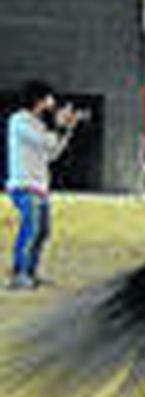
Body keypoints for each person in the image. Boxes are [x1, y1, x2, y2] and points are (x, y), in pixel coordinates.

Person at [6, 80, 79, 290]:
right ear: (38, 99)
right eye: (48, 98)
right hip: (25, 184)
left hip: (39, 186)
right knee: (31, 229)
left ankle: (30, 272)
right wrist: (59, 125)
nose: (52, 102)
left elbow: (53, 153)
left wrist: (67, 130)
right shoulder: (19, 121)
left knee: (42, 231)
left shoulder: (37, 124)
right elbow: (45, 142)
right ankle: (20, 274)